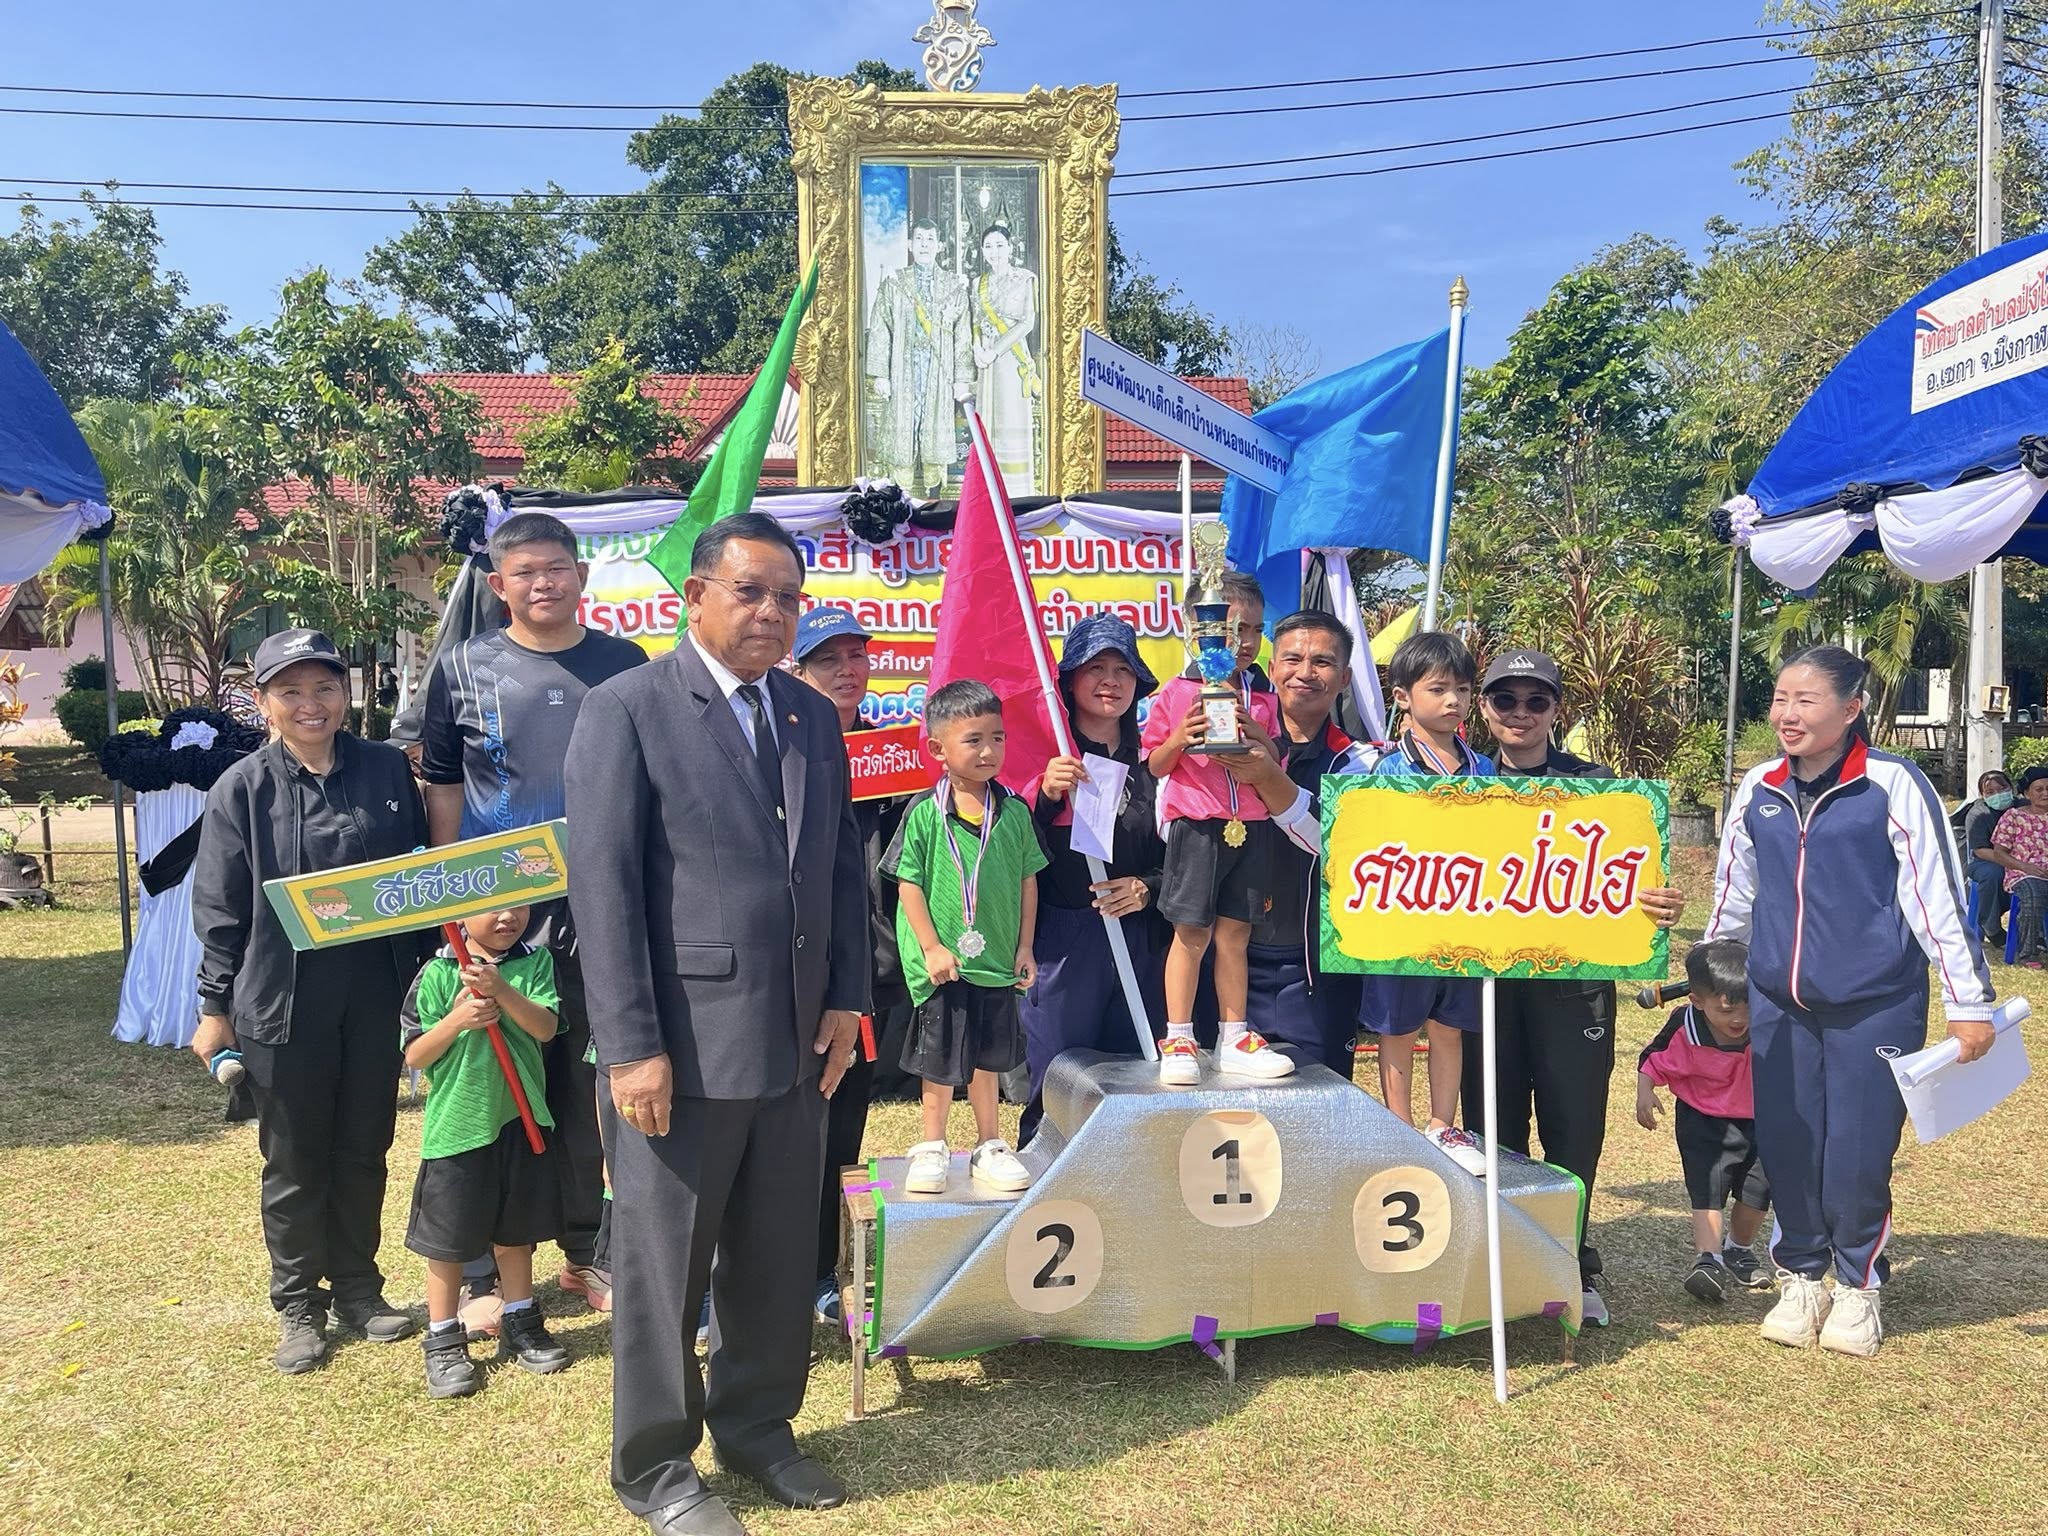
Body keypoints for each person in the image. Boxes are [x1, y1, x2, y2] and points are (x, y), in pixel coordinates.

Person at [566, 512, 869, 1534]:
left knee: (778, 1253)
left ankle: (757, 1426)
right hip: (682, 1050)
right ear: (695, 595)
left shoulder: (809, 714)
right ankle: (656, 1467)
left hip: (796, 1044)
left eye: (787, 597)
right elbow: (604, 890)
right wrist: (630, 1048)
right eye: (750, 591)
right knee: (665, 1268)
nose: (772, 613)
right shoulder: (628, 709)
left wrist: (847, 997)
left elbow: (838, 868)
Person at [1708, 644, 1993, 1357]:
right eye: (1780, 698)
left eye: (1806, 700)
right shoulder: (1760, 785)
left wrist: (1969, 1002)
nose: (1787, 713)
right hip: (1779, 1002)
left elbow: (1935, 895)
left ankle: (1859, 1284)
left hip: (1875, 1003)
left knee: (1858, 1151)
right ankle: (1802, 1275)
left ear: (1851, 708)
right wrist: (1713, 979)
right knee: (1789, 1142)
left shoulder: (1891, 784)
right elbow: (1734, 893)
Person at [420, 510, 646, 1327]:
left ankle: (588, 1253)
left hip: (602, 904)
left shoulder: (625, 664)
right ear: (498, 585)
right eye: (525, 572)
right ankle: (483, 1270)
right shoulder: (462, 667)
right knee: (491, 1081)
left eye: (556, 568)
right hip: (497, 912)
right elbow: (443, 783)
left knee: (587, 1083)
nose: (543, 583)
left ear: (581, 576)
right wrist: (450, 898)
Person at [190, 628, 428, 1374]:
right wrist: (213, 1006)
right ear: (263, 703)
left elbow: (419, 876)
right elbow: (220, 908)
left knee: (364, 1148)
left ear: (345, 692)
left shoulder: (386, 769)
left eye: (324, 686)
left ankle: (359, 1287)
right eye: (289, 691)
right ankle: (298, 1304)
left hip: (376, 996)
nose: (310, 704)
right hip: (281, 1000)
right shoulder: (242, 788)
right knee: (294, 1158)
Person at [1458, 647, 1688, 1324]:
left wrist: (1658, 903)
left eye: (1536, 701)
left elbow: (1632, 880)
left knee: (1573, 1127)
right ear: (1484, 708)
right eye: (1505, 699)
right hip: (1488, 988)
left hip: (1574, 987)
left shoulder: (1600, 788)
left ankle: (1570, 1263)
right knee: (1491, 1128)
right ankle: (1504, 1266)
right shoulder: (1456, 787)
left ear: (1557, 710)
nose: (1520, 713)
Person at [790, 605, 914, 1325]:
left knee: (843, 1128)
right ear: (799, 670)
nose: (847, 671)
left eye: (856, 656)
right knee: (780, 1129)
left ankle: (822, 1271)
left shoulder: (896, 754)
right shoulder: (781, 745)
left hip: (868, 975)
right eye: (828, 659)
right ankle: (750, 1274)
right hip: (790, 973)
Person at [403, 904, 572, 1398]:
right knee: (448, 1242)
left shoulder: (534, 962)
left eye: (517, 905)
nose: (508, 917)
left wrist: (501, 991)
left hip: (521, 1118)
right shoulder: (436, 972)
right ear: (458, 916)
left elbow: (545, 1028)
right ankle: (443, 1338)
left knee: (515, 1234)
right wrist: (457, 1020)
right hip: (458, 1129)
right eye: (491, 908)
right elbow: (415, 1053)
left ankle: (521, 1319)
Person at [884, 680, 1045, 1195]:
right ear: (938, 749)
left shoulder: (1014, 812)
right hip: (944, 966)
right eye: (973, 740)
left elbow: (1028, 881)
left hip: (995, 960)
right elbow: (908, 882)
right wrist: (931, 947)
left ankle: (989, 1143)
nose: (988, 751)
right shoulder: (925, 813)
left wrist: (1025, 946)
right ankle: (932, 1144)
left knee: (988, 1057)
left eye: (997, 738)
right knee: (939, 1056)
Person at [1141, 569, 1293, 1086]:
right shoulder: (1175, 694)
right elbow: (1155, 763)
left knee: (1236, 934)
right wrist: (1180, 737)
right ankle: (1180, 1036)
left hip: (1251, 826)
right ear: (1200, 631)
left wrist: (1256, 733)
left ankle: (1234, 1037)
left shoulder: (1264, 697)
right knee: (1191, 933)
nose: (1245, 641)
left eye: (1254, 629)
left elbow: (1278, 758)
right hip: (1197, 826)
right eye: (1232, 629)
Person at [1021, 615, 1166, 1141]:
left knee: (1137, 1079)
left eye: (1123, 669)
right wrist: (1043, 798)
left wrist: (1147, 887)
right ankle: (1044, 1180)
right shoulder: (1044, 761)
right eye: (1096, 668)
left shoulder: (1157, 763)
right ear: (1070, 681)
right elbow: (1009, 855)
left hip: (1142, 942)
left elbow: (1186, 856)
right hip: (1063, 944)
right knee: (1056, 1081)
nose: (1110, 681)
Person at [1357, 630, 1493, 1176]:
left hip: (1465, 924)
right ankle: (1399, 1127)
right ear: (1402, 696)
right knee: (1397, 1028)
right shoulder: (1382, 769)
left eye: (1462, 689)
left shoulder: (1484, 770)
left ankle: (1443, 1125)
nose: (1452, 701)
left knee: (1449, 1026)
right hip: (1400, 923)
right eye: (1437, 689)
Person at [1217, 610, 1369, 1076]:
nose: (1306, 672)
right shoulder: (1224, 741)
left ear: (1344, 678)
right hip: (1224, 968)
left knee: (1320, 1109)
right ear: (1272, 667)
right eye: (1293, 659)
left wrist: (1267, 775)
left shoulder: (1360, 762)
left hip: (1314, 976)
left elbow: (1339, 847)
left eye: (1322, 662)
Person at [1635, 939, 1773, 1306]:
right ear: (1697, 1001)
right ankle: (1708, 1260)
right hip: (1703, 1121)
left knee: (1757, 1192)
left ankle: (1738, 1249)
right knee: (1708, 1191)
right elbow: (1652, 1058)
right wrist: (1645, 1092)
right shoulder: (1686, 1026)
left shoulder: (1768, 1019)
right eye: (1727, 1010)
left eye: (1748, 1006)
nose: (1739, 1019)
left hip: (1761, 1120)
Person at [865, 218, 973, 496]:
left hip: (939, 372)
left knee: (935, 434)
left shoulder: (953, 286)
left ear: (939, 246)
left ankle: (934, 500)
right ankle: (902, 500)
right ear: (910, 245)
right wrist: (881, 374)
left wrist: (961, 378)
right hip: (903, 370)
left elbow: (963, 336)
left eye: (930, 239)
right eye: (920, 239)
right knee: (903, 433)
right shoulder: (894, 284)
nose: (925, 245)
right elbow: (880, 328)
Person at [970, 220, 1040, 495]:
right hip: (986, 362)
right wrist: (978, 348)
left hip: (1011, 357)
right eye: (988, 246)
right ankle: (987, 487)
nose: (994, 251)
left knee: (1010, 417)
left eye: (999, 245)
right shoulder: (978, 283)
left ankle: (1015, 490)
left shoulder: (1025, 279)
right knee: (986, 420)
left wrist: (995, 350)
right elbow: (976, 321)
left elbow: (1028, 322)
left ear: (1011, 248)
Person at [1987, 766, 2048, 967]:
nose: (2045, 793)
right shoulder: (2013, 817)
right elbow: (1999, 853)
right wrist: (2026, 868)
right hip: (2023, 874)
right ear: (2027, 793)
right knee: (2033, 893)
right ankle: (2028, 953)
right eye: (2039, 789)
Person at [1959, 770, 2015, 949]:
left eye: (2002, 789)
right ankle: (1991, 927)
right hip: (1985, 862)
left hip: (2026, 861)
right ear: (1982, 795)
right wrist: (2014, 862)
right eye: (1990, 792)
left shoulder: (2023, 808)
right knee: (1994, 874)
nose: (1997, 795)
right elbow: (1980, 850)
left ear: (2011, 788)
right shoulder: (1978, 814)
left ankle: (2036, 933)